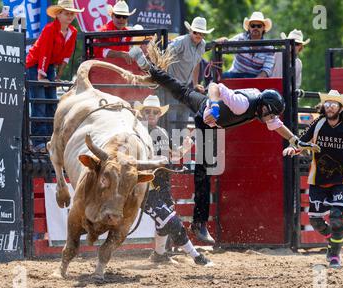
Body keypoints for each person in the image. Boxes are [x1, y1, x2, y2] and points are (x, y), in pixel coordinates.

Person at [129, 46, 320, 244]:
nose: (270, 118)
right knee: (203, 170)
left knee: (179, 89)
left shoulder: (262, 107)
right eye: (269, 113)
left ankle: (147, 66)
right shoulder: (243, 104)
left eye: (272, 115)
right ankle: (199, 223)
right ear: (263, 106)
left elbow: (277, 125)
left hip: (208, 110)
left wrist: (295, 140)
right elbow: (214, 87)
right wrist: (213, 109)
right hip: (208, 118)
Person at [283, 90, 343, 268]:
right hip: (318, 180)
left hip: (342, 179)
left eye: (334, 103)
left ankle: (334, 254)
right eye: (327, 103)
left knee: (336, 216)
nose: (330, 106)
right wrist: (293, 149)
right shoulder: (318, 123)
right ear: (323, 106)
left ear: (341, 108)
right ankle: (334, 239)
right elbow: (302, 141)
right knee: (315, 221)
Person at [135, 95, 211, 266]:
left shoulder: (161, 133)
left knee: (164, 221)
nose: (151, 115)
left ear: (159, 114)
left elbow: (173, 156)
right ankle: (196, 257)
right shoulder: (138, 134)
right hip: (145, 185)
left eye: (155, 112)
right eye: (148, 111)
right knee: (170, 220)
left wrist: (186, 146)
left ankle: (159, 255)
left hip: (162, 184)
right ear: (142, 113)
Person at [26, 0, 83, 152]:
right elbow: (43, 52)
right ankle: (38, 142)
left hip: (48, 66)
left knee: (51, 102)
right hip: (35, 65)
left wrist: (58, 75)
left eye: (72, 13)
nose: (70, 16)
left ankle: (50, 140)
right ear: (58, 14)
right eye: (67, 13)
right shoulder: (50, 29)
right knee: (40, 102)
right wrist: (41, 74)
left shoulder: (73, 32)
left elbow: (66, 55)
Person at [165, 17, 214, 132]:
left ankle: (179, 146)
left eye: (201, 33)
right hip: (172, 84)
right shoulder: (181, 41)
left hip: (186, 86)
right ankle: (171, 146)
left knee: (183, 117)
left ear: (204, 35)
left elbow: (197, 63)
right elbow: (166, 54)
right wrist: (166, 78)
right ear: (190, 31)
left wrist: (195, 83)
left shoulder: (202, 45)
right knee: (171, 118)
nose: (198, 35)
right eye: (195, 32)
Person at [217, 12, 274, 78]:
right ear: (249, 27)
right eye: (253, 26)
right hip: (235, 74)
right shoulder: (240, 38)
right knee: (218, 80)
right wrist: (223, 41)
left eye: (259, 26)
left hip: (254, 77)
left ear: (263, 28)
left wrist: (255, 82)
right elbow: (227, 48)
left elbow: (266, 70)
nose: (256, 28)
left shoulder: (269, 47)